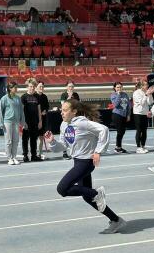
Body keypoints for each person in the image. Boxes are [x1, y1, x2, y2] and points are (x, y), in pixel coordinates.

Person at [44, 99, 126, 234]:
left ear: (74, 111)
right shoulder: (64, 125)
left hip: (86, 163)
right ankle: (116, 220)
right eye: (61, 109)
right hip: (77, 161)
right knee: (87, 197)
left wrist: (98, 151)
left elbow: (104, 129)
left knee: (62, 189)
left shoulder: (82, 123)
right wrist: (52, 142)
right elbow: (63, 146)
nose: (61, 113)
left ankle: (96, 193)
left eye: (65, 110)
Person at [0, 81, 25, 165]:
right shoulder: (4, 98)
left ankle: (14, 157)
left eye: (17, 87)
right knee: (8, 141)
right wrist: (1, 123)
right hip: (7, 122)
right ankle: (9, 158)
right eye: (15, 87)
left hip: (16, 122)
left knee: (16, 140)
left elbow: (21, 111)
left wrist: (22, 122)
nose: (16, 89)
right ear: (10, 88)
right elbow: (0, 111)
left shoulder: (18, 98)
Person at [21, 78, 42, 162]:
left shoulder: (37, 97)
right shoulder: (23, 97)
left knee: (34, 139)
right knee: (25, 139)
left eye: (33, 86)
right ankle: (25, 155)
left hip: (35, 121)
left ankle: (34, 155)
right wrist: (23, 122)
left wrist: (40, 121)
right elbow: (22, 111)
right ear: (27, 87)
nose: (32, 88)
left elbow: (39, 109)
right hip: (26, 122)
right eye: (30, 86)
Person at [132, 80, 154, 153]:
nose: (147, 86)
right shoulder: (136, 92)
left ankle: (143, 146)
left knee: (144, 130)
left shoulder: (146, 92)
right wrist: (146, 95)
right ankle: (138, 147)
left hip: (145, 113)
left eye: (147, 84)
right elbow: (141, 103)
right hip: (138, 113)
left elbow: (150, 102)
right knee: (139, 130)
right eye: (145, 85)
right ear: (141, 86)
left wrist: (150, 94)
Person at [110, 81, 130, 153]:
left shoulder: (125, 94)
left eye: (120, 87)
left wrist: (128, 115)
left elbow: (128, 105)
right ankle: (118, 147)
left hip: (124, 115)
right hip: (117, 114)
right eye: (117, 87)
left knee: (123, 131)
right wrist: (118, 95)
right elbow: (115, 104)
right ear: (115, 88)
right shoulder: (113, 95)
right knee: (120, 131)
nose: (119, 88)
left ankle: (119, 146)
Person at [35, 81, 50, 159]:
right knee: (34, 138)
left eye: (42, 86)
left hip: (43, 119)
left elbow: (47, 106)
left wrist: (45, 111)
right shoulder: (34, 96)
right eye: (40, 86)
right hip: (35, 120)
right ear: (36, 87)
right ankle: (34, 153)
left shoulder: (44, 96)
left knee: (41, 137)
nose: (41, 88)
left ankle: (39, 154)